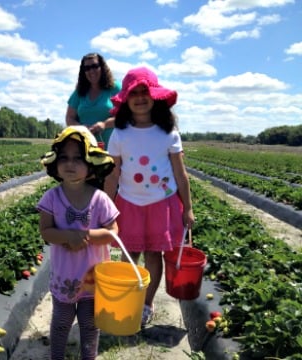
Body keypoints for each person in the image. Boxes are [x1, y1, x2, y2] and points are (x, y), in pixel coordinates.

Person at [104, 67, 195, 327]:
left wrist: (187, 208)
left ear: (155, 97)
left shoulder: (168, 133)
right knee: (129, 255)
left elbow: (181, 174)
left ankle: (146, 303)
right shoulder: (120, 134)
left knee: (154, 256)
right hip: (129, 203)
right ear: (126, 99)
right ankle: (130, 299)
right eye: (135, 93)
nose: (141, 97)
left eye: (146, 92)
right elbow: (112, 176)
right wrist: (106, 209)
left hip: (161, 204)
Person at [37, 126, 119, 360]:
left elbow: (114, 231)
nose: (70, 164)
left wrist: (86, 236)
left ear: (91, 164)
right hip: (65, 278)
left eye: (78, 158)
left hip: (94, 278)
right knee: (61, 322)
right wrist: (67, 236)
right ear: (55, 164)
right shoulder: (51, 198)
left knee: (90, 324)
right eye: (64, 158)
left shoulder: (100, 199)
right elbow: (46, 231)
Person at [65, 53, 122, 148]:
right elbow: (69, 118)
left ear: (102, 67)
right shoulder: (79, 91)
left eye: (95, 66)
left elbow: (125, 116)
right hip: (84, 147)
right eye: (87, 68)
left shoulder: (115, 87)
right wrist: (82, 128)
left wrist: (104, 124)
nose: (91, 70)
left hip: (112, 148)